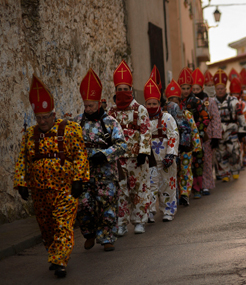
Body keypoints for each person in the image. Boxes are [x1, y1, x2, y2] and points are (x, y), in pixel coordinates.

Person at [14, 75, 89, 277]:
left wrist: (78, 180)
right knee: (47, 227)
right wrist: (21, 182)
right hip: (40, 192)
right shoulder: (30, 134)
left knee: (63, 224)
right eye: (39, 118)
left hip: (64, 189)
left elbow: (80, 155)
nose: (43, 121)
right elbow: (23, 159)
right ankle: (54, 252)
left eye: (46, 117)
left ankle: (60, 261)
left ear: (53, 114)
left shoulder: (70, 129)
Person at [75, 69, 127, 252]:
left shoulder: (111, 122)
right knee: (83, 204)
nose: (87, 109)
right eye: (85, 105)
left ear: (98, 103)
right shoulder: (77, 123)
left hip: (106, 173)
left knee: (107, 205)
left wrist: (104, 154)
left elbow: (122, 145)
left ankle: (107, 238)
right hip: (84, 173)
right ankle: (89, 233)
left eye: (91, 106)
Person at [107, 60, 152, 235]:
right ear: (115, 90)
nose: (123, 92)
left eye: (126, 89)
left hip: (136, 159)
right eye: (120, 89)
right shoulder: (111, 112)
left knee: (139, 189)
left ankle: (139, 220)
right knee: (120, 191)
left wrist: (144, 151)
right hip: (118, 159)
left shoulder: (140, 110)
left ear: (131, 90)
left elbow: (146, 131)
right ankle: (121, 223)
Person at [143, 77, 179, 222]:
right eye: (149, 104)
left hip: (165, 158)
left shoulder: (168, 118)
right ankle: (150, 211)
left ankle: (168, 211)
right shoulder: (142, 119)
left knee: (167, 185)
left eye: (154, 103)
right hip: (149, 159)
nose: (151, 106)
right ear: (145, 104)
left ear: (159, 103)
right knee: (150, 186)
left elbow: (173, 135)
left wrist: (171, 155)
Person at [165, 79, 201, 206]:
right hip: (171, 149)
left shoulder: (187, 114)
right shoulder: (164, 117)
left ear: (180, 102)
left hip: (186, 148)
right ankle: (174, 194)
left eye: (176, 101)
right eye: (171, 101)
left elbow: (193, 131)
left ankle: (184, 193)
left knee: (185, 170)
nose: (173, 104)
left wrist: (196, 147)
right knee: (174, 171)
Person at [178, 68, 209, 199]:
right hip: (181, 138)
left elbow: (206, 117)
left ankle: (197, 188)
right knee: (183, 163)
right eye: (183, 88)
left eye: (187, 88)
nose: (185, 90)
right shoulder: (177, 103)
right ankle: (184, 191)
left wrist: (200, 131)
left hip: (195, 137)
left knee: (197, 162)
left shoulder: (196, 101)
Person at [212, 69, 246, 182]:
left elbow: (240, 116)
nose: (220, 90)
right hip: (218, 131)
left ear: (225, 89)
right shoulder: (211, 102)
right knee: (221, 153)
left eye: (222, 88)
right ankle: (224, 173)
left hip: (232, 130)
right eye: (218, 89)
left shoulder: (234, 101)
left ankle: (235, 170)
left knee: (234, 151)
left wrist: (242, 131)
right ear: (215, 89)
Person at [192, 69, 222, 194]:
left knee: (207, 161)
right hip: (193, 136)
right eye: (193, 90)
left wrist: (215, 137)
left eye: (197, 90)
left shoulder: (210, 101)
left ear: (202, 88)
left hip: (207, 136)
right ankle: (195, 186)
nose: (195, 92)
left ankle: (206, 185)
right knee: (195, 162)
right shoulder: (189, 102)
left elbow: (215, 119)